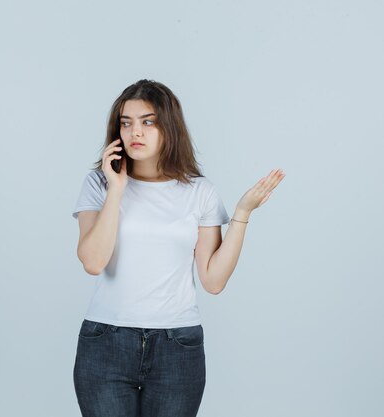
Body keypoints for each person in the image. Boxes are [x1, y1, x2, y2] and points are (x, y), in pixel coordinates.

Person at [71, 79, 285, 417]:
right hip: (106, 344)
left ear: (169, 127)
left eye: (148, 122)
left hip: (176, 347)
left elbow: (213, 281)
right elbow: (94, 261)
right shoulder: (98, 183)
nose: (134, 132)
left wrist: (241, 214)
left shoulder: (199, 191)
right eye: (126, 123)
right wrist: (116, 189)